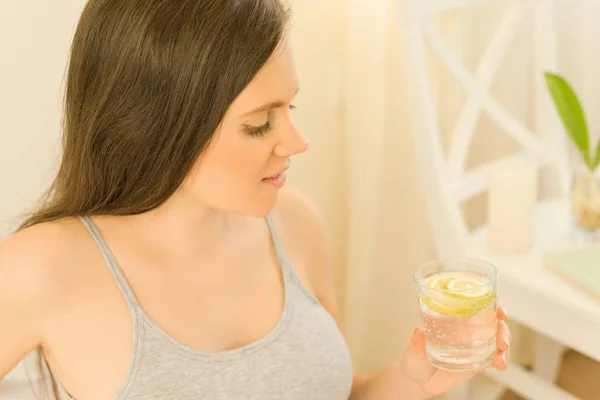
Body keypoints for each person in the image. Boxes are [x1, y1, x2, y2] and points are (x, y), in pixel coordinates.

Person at [0, 0, 510, 399]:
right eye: (259, 123)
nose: (296, 140)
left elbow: (340, 393)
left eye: (290, 107)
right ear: (160, 127)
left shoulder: (295, 224)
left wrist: (417, 376)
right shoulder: (43, 269)